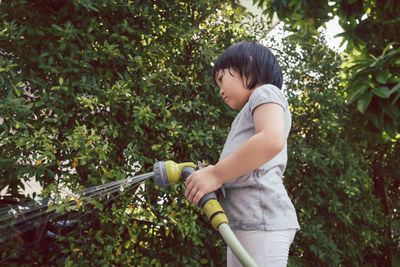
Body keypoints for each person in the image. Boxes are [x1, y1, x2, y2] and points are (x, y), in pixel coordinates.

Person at [184, 41, 300, 267]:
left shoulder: (266, 92)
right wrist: (217, 180)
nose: (219, 89)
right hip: (246, 223)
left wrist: (216, 175)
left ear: (247, 66)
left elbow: (271, 139)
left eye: (222, 79)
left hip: (263, 219)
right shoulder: (247, 114)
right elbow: (246, 168)